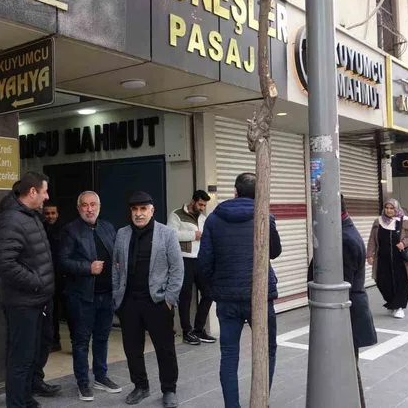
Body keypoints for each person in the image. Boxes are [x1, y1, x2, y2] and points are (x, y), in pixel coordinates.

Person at [198, 172, 281, 408]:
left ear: (235, 192)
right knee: (267, 350)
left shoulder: (213, 219)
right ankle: (261, 401)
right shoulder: (265, 216)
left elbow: (204, 263)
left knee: (229, 354)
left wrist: (217, 287)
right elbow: (275, 252)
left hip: (227, 299)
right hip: (260, 297)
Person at [112, 192, 183, 407]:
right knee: (132, 349)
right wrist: (117, 296)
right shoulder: (122, 234)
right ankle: (140, 386)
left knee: (165, 348)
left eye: (143, 209)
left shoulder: (167, 234)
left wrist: (169, 299)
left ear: (152, 210)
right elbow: (116, 268)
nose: (139, 213)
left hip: (158, 302)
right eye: (135, 209)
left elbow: (177, 269)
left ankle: (169, 389)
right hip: (129, 302)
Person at [0, 171, 56, 408]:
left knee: (30, 355)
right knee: (20, 358)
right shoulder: (12, 220)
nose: (47, 197)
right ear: (32, 192)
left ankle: (26, 398)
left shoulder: (31, 217)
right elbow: (5, 264)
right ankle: (17, 403)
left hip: (36, 301)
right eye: (44, 192)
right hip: (22, 303)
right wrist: (36, 281)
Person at [308, 194, 377, 408]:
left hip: (346, 314)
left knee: (346, 369)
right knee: (348, 368)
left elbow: (341, 286)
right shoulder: (343, 232)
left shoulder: (343, 240)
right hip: (348, 311)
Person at [59, 191, 121, 401]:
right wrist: (87, 267)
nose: (89, 209)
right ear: (79, 208)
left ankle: (101, 377)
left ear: (99, 207)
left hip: (106, 295)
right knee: (81, 342)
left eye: (93, 205)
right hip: (82, 297)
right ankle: (83, 382)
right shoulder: (70, 230)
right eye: (85, 205)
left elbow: (116, 253)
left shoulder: (107, 227)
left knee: (102, 338)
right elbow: (62, 262)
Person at [167, 190, 215, 346]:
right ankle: (186, 332)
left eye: (204, 205)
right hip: (183, 260)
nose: (202, 208)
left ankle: (199, 330)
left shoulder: (203, 218)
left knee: (209, 293)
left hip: (200, 260)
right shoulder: (176, 215)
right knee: (185, 297)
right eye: (200, 204)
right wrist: (193, 235)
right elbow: (170, 234)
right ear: (193, 201)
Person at [367, 199, 408, 320]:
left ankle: (399, 307)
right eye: (387, 208)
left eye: (391, 208)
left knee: (402, 282)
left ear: (396, 209)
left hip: (401, 259)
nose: (389, 210)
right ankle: (392, 303)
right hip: (382, 258)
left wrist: (404, 243)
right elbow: (372, 240)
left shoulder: (406, 221)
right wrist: (370, 255)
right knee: (382, 281)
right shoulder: (378, 221)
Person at [43, 202, 68, 353]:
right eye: (47, 213)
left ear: (58, 214)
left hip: (63, 277)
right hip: (48, 277)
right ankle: (54, 341)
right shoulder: (41, 229)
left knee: (69, 311)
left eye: (53, 213)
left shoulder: (65, 230)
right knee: (51, 312)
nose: (50, 216)